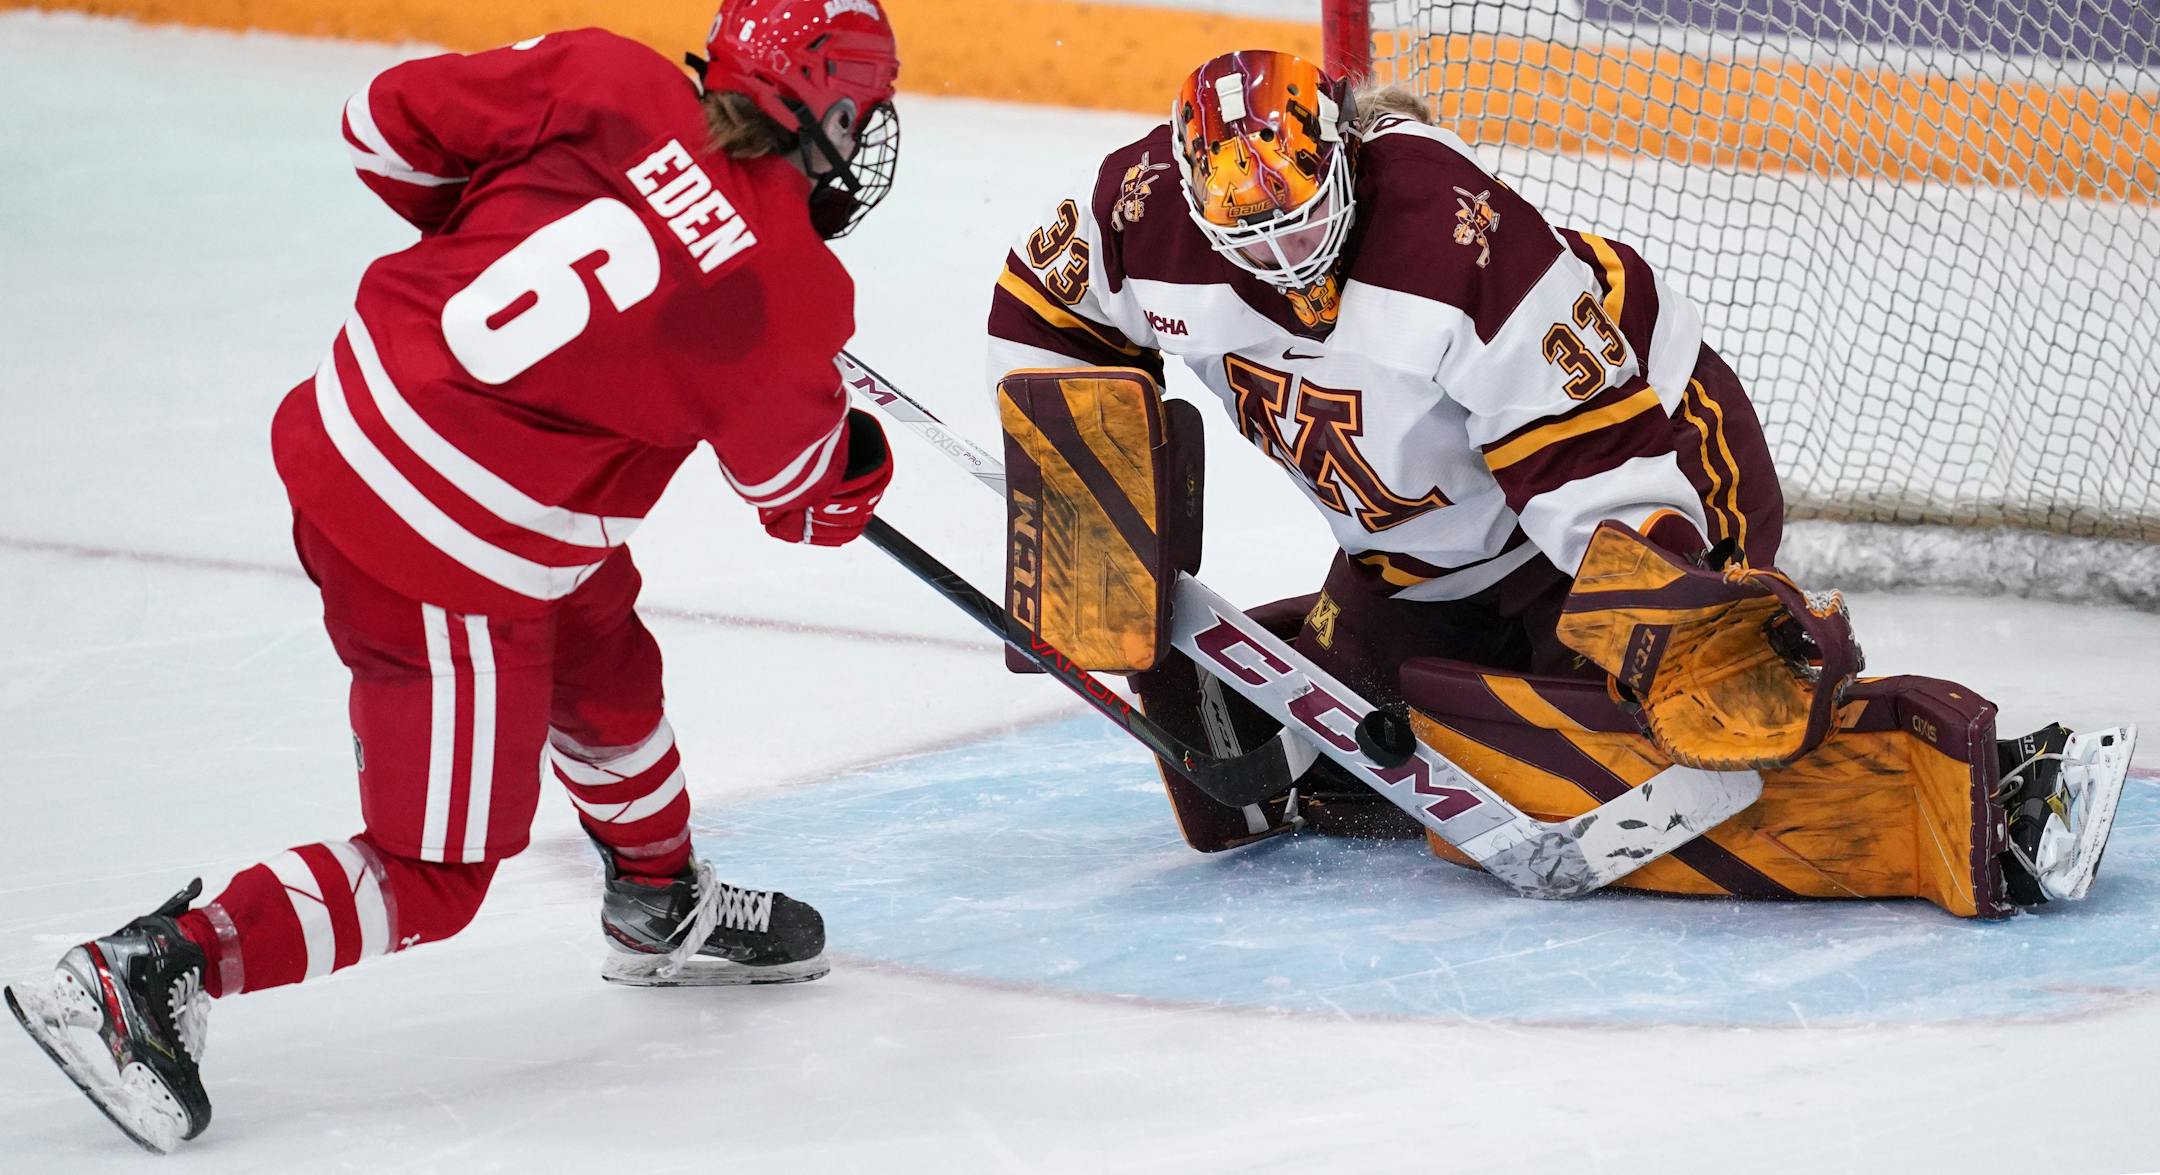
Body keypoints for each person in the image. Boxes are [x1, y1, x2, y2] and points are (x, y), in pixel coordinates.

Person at [5, 0, 901, 1153]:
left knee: (602, 644)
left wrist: (493, 228)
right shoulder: (791, 292)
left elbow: (378, 125)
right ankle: (149, 970)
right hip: (443, 550)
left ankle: (658, 900)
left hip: (349, 418)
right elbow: (804, 506)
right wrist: (856, 449)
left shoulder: (607, 75)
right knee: (437, 868)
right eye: (863, 109)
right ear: (822, 103)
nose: (866, 132)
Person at [985, 50, 2131, 918]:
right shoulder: (1142, 213)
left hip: (1647, 454)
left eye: (1302, 209)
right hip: (1426, 542)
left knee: (1651, 733)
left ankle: (1995, 792)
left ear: (1338, 147)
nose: (1285, 253)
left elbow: (1589, 453)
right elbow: (1044, 306)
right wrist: (1084, 506)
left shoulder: (1456, 241)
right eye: (1251, 226)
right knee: (1363, 743)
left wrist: (1668, 628)